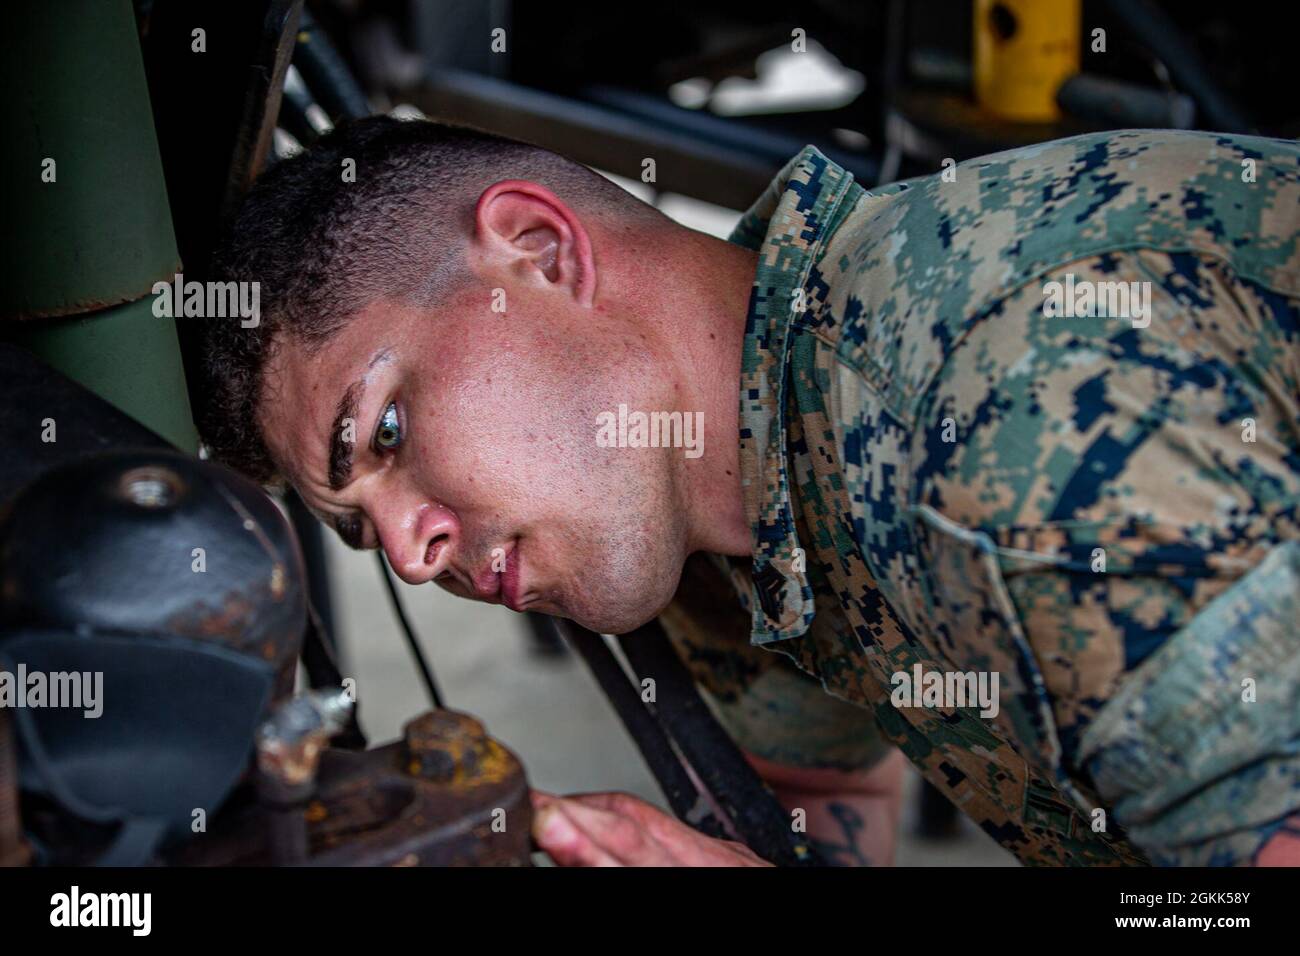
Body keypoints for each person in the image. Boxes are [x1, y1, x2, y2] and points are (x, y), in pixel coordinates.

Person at [200, 116, 1300, 866]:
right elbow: (830, 802)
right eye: (353, 528)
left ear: (539, 250)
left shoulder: (1006, 412)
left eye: (385, 429)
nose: (405, 551)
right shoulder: (724, 501)